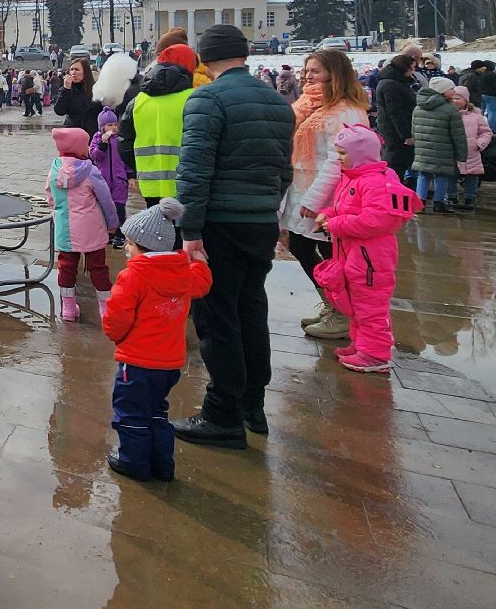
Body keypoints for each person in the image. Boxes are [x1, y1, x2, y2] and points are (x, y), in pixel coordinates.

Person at [173, 24, 294, 450]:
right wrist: (267, 207)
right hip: (259, 221)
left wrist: (190, 230)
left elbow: (194, 169)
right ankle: (251, 405)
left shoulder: (207, 98)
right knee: (251, 309)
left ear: (205, 58)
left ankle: (221, 415)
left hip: (219, 223)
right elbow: (283, 169)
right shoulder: (276, 101)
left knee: (216, 317)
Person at [101, 198, 212, 482]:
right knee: (157, 412)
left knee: (130, 414)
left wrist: (115, 335)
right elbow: (201, 284)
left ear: (142, 245)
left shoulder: (133, 276)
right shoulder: (181, 272)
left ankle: (134, 463)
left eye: (129, 244)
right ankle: (163, 465)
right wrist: (200, 262)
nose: (126, 248)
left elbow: (117, 316)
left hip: (137, 362)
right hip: (169, 364)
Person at [278, 51, 371, 344]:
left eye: (315, 71)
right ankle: (334, 305)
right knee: (300, 246)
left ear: (335, 73)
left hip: (329, 195)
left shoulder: (346, 111)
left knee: (331, 253)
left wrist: (315, 199)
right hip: (302, 187)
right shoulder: (306, 105)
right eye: (306, 70)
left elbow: (338, 159)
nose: (308, 76)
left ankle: (343, 312)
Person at [312, 124, 420, 373]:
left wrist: (335, 224)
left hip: (371, 258)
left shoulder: (376, 181)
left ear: (360, 154)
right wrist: (328, 214)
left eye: (342, 153)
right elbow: (345, 208)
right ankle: (361, 345)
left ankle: (375, 355)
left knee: (370, 307)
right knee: (357, 303)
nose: (338, 158)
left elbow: (378, 220)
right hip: (353, 254)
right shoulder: (354, 177)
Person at [48, 128, 119, 323]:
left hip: (65, 229)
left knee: (66, 268)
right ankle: (105, 308)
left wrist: (56, 214)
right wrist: (112, 223)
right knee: (98, 268)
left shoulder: (54, 170)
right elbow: (105, 199)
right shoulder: (90, 170)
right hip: (91, 228)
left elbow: (50, 197)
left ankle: (68, 309)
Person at [117, 43, 196, 209]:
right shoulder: (194, 99)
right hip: (186, 183)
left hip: (150, 186)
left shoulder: (138, 101)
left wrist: (139, 169)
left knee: (157, 225)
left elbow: (124, 144)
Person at [410, 76, 467, 214]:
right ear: (443, 91)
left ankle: (419, 203)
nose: (454, 91)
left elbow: (414, 130)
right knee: (442, 176)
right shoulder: (450, 110)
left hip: (423, 150)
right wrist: (462, 154)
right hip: (444, 150)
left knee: (423, 175)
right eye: (451, 89)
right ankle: (439, 203)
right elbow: (458, 135)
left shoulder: (418, 107)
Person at [373, 53, 418, 178]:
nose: (414, 70)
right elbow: (396, 112)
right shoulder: (391, 85)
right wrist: (406, 135)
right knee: (396, 162)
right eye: (412, 67)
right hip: (394, 132)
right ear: (405, 67)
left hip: (397, 129)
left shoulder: (396, 81)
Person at [449, 86, 492, 210]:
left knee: (472, 175)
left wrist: (479, 144)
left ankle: (470, 198)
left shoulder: (476, 116)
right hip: (451, 151)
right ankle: (451, 196)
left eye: (458, 98)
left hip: (471, 151)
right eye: (452, 99)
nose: (455, 101)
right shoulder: (447, 114)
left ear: (466, 100)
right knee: (450, 174)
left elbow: (486, 132)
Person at [90, 108, 130, 235]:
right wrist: (103, 144)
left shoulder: (120, 140)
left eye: (115, 124)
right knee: (104, 205)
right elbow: (94, 156)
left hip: (119, 179)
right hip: (103, 179)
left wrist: (130, 175)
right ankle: (106, 230)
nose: (113, 127)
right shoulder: (97, 139)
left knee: (119, 206)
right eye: (110, 125)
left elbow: (126, 158)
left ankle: (119, 232)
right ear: (102, 127)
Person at [52, 57, 99, 137]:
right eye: (71, 69)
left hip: (91, 132)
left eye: (77, 70)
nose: (73, 72)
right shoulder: (65, 90)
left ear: (85, 72)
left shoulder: (96, 89)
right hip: (72, 132)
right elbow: (59, 111)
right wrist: (66, 89)